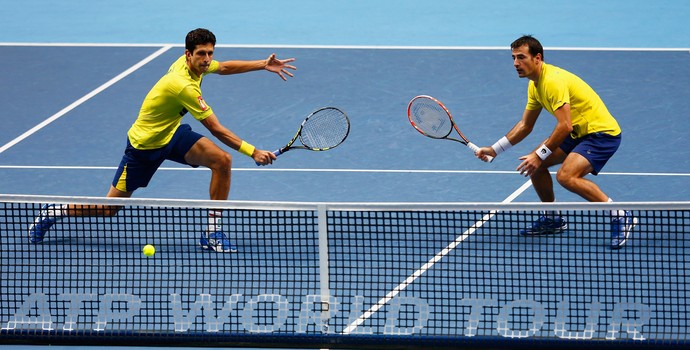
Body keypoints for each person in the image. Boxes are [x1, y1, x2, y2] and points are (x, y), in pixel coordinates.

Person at [28, 28, 297, 253]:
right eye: (201, 54)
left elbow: (224, 67)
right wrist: (253, 152)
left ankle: (212, 233)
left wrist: (263, 64)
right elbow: (215, 128)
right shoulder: (182, 85)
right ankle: (55, 210)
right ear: (187, 55)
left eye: (210, 53)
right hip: (143, 148)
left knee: (221, 161)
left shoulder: (194, 66)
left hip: (171, 134)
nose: (206, 59)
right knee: (109, 209)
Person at [476, 35, 637, 249]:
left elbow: (564, 126)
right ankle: (553, 219)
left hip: (601, 134)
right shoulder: (535, 86)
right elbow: (525, 125)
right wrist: (495, 149)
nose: (516, 63)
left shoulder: (552, 81)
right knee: (535, 166)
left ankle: (620, 214)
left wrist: (538, 154)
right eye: (513, 58)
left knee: (566, 176)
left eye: (521, 57)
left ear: (537, 58)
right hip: (578, 132)